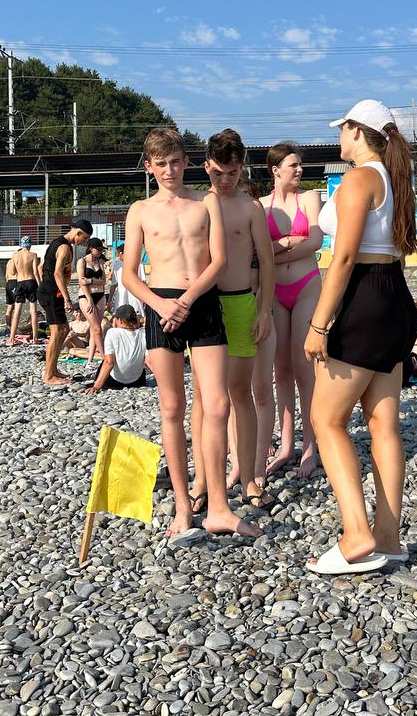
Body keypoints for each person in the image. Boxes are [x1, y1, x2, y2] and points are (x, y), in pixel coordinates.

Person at [123, 127, 258, 541]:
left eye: (176, 162)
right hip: (161, 305)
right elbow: (129, 274)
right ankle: (183, 506)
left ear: (186, 162)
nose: (170, 170)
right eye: (161, 164)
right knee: (172, 407)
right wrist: (162, 304)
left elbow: (219, 261)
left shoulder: (206, 201)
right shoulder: (140, 210)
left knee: (217, 404)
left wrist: (188, 299)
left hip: (201, 300)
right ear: (149, 167)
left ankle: (219, 506)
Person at [303, 99, 417, 575]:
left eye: (342, 129)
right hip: (395, 296)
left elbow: (345, 258)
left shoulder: (359, 178)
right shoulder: (395, 179)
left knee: (326, 419)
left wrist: (318, 325)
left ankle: (356, 533)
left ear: (355, 130)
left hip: (364, 297)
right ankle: (389, 537)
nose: (338, 137)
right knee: (382, 423)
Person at [190, 128, 276, 509]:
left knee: (241, 391)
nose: (225, 180)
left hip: (241, 301)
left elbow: (267, 262)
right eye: (218, 173)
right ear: (206, 166)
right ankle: (202, 478)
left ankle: (250, 476)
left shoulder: (250, 207)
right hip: (206, 304)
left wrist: (265, 310)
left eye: (233, 173)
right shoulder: (196, 204)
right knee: (204, 396)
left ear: (242, 169)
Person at [260, 141, 324, 479]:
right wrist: (286, 242)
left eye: (300, 165)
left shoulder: (309, 198)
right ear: (276, 170)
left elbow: (315, 241)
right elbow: (258, 251)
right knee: (280, 369)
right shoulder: (260, 205)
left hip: (306, 285)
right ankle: (287, 444)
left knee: (304, 367)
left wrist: (275, 252)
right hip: (274, 291)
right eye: (293, 165)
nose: (299, 170)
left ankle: (310, 445)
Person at [38, 220, 93, 387]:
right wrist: (66, 298)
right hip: (52, 293)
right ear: (78, 232)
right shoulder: (64, 247)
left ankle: (53, 369)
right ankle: (48, 375)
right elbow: (57, 273)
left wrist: (45, 285)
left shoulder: (57, 243)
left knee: (64, 330)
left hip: (50, 291)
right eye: (84, 238)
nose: (84, 242)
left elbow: (41, 267)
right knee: (56, 332)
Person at [89, 305, 148, 390]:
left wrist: (96, 386)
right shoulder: (143, 332)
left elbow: (109, 362)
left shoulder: (112, 332)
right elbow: (149, 361)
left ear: (119, 320)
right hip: (138, 382)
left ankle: (98, 382)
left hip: (115, 382)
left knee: (105, 360)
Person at [76, 238, 110, 362]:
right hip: (86, 296)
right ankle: (104, 357)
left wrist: (90, 280)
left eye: (102, 250)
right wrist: (89, 299)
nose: (100, 252)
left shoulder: (99, 261)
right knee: (97, 328)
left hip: (100, 295)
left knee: (94, 329)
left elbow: (104, 281)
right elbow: (81, 282)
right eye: (99, 249)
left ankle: (90, 359)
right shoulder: (82, 261)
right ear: (91, 249)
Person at [7, 236, 41, 347]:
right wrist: (40, 285)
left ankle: (11, 338)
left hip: (20, 282)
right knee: (33, 311)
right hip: (31, 281)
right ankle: (35, 338)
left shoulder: (15, 255)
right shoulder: (33, 255)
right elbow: (35, 272)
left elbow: (12, 271)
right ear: (29, 244)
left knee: (17, 311)